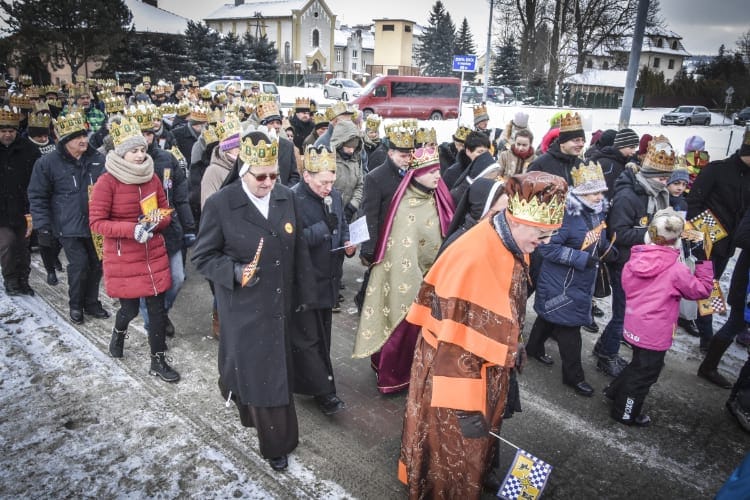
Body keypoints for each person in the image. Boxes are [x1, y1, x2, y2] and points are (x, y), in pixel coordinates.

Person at [398, 171, 568, 499]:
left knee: (480, 442)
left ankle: (481, 472)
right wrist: (463, 409)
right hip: (457, 379)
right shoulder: (474, 258)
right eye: (541, 234)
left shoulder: (512, 235)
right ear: (516, 220)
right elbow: (452, 345)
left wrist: (513, 344)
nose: (545, 244)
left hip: (482, 368)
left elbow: (507, 301)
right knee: (454, 450)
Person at [191, 133, 315, 472]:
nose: (268, 183)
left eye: (274, 175)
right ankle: (278, 443)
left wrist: (308, 295)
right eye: (260, 176)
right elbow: (202, 257)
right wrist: (233, 271)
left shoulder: (286, 197)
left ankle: (243, 398)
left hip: (283, 303)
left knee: (266, 369)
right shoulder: (221, 204)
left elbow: (299, 248)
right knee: (266, 374)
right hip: (245, 307)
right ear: (243, 171)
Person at [353, 146, 454, 394]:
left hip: (432, 277)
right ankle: (393, 376)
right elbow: (400, 248)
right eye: (431, 172)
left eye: (438, 171)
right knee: (401, 327)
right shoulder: (405, 205)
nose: (437, 176)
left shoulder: (437, 199)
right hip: (407, 279)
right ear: (416, 174)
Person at [88, 116, 179, 382]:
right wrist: (131, 230)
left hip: (153, 253)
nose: (140, 155)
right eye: (134, 151)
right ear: (120, 153)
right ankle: (118, 335)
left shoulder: (151, 178)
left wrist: (156, 223)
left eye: (142, 149)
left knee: (157, 309)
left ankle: (158, 361)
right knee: (128, 309)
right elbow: (96, 222)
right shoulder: (107, 182)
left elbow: (164, 210)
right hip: (125, 257)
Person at [605, 208, 713, 426]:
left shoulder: (636, 257)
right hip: (655, 332)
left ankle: (615, 392)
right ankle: (625, 412)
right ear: (676, 240)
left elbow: (627, 285)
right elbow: (700, 291)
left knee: (638, 365)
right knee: (645, 375)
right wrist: (703, 263)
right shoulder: (676, 269)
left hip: (635, 322)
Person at [525, 162, 610, 397]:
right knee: (569, 329)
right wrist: (582, 259)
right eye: (594, 192)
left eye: (601, 191)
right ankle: (574, 377)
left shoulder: (597, 212)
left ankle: (532, 349)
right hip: (562, 284)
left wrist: (604, 249)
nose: (599, 197)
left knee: (549, 316)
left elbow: (595, 239)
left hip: (579, 282)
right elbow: (547, 248)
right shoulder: (565, 215)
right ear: (581, 192)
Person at [594, 135, 675, 376]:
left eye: (667, 178)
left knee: (625, 312)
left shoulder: (656, 195)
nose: (665, 183)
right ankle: (607, 356)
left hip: (643, 262)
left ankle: (603, 347)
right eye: (662, 178)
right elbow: (619, 233)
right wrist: (653, 235)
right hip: (625, 262)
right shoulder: (629, 196)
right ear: (649, 175)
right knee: (623, 314)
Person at [290, 145, 354, 415]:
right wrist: (323, 229)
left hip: (329, 278)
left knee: (322, 336)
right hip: (305, 281)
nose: (329, 187)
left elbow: (341, 222)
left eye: (331, 181)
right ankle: (324, 392)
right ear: (307, 177)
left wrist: (348, 240)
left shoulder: (335, 196)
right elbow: (292, 242)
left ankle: (314, 383)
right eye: (323, 182)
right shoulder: (292, 200)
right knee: (309, 338)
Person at [28, 112, 109, 324]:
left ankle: (91, 302)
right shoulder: (47, 163)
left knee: (97, 264)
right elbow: (37, 196)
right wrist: (43, 226)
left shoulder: (98, 159)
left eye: (83, 135)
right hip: (67, 225)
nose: (83, 140)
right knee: (79, 265)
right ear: (64, 141)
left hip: (95, 224)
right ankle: (76, 305)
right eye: (76, 137)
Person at [689, 124, 750, 379]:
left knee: (711, 287)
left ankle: (704, 331)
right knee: (707, 287)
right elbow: (695, 204)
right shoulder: (717, 170)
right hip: (707, 241)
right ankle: (705, 335)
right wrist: (705, 236)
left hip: (727, 248)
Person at [0, 106, 40, 295]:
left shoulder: (29, 149)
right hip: (1, 209)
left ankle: (24, 279)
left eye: (11, 131)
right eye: (3, 131)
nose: (7, 135)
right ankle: (10, 279)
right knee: (7, 244)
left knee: (24, 246)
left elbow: (39, 177)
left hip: (24, 207)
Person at [329, 119, 364, 222]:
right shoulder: (328, 159)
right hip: (330, 212)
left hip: (351, 215)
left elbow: (360, 185)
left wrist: (353, 206)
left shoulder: (356, 160)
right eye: (348, 147)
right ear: (340, 143)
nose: (351, 151)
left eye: (354, 147)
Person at [590, 128, 639, 193]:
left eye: (635, 148)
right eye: (631, 147)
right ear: (621, 145)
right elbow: (607, 193)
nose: (634, 152)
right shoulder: (609, 165)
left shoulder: (620, 160)